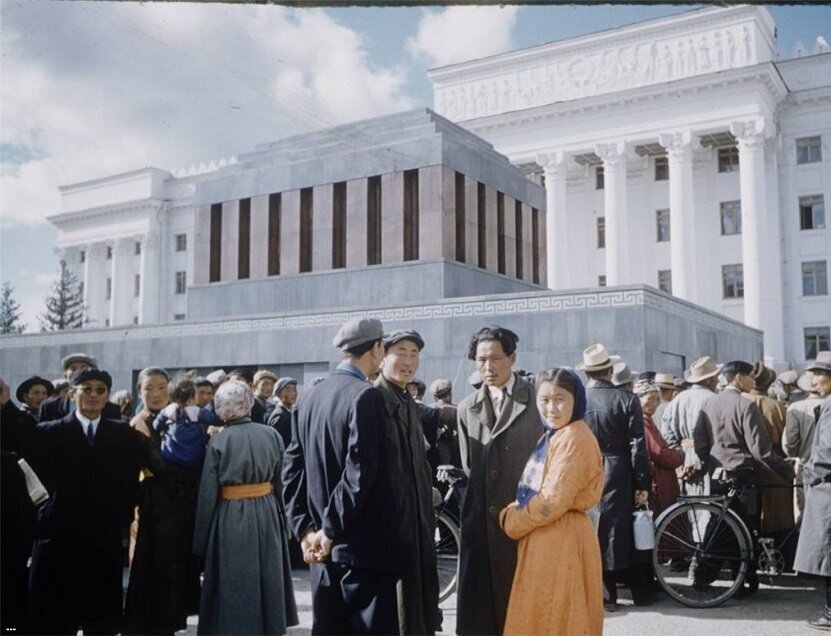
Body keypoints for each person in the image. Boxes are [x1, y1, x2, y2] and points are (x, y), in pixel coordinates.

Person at [282, 317, 402, 635]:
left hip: (320, 553)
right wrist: (330, 529)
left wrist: (306, 530)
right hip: (362, 550)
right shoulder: (366, 395)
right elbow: (359, 471)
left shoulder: (307, 397)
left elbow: (291, 470)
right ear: (377, 348)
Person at [28, 368, 161, 635]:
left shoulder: (123, 435)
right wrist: (45, 516)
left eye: (100, 390)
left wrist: (119, 517)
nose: (93, 395)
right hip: (58, 540)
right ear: (71, 393)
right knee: (54, 618)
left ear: (107, 396)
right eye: (86, 389)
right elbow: (31, 483)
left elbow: (131, 482)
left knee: (100, 621)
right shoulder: (47, 433)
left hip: (103, 541)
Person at [499, 367, 603, 635]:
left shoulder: (573, 437)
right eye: (544, 400)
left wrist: (512, 520)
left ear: (576, 400)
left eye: (560, 399)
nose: (551, 408)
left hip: (559, 539)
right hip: (551, 537)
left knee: (554, 617)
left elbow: (551, 500)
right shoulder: (556, 434)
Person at [193, 380, 297, 635]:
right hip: (267, 510)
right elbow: (281, 483)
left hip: (230, 513)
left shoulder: (218, 442)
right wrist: (285, 523)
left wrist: (201, 542)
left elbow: (208, 494)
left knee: (235, 580)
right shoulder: (271, 435)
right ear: (248, 403)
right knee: (267, 576)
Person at [456, 325, 542, 635]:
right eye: (481, 360)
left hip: (527, 520)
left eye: (496, 359)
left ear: (513, 357)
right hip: (481, 526)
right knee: (483, 614)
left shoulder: (538, 401)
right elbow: (469, 466)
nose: (488, 368)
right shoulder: (466, 408)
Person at [693, 360, 795, 597]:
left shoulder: (709, 403)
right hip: (743, 476)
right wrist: (786, 470)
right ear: (738, 378)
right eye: (749, 376)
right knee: (743, 530)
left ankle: (717, 577)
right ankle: (740, 581)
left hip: (717, 475)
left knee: (720, 523)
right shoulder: (745, 406)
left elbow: (700, 442)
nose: (752, 381)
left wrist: (712, 462)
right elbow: (761, 451)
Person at [125, 368, 202, 636]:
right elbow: (159, 464)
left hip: (180, 507)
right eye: (149, 388)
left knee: (175, 573)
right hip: (153, 508)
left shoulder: (178, 417)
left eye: (161, 387)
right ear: (139, 391)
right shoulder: (140, 423)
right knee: (152, 573)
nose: (156, 394)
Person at [375, 330, 441, 634]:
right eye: (400, 352)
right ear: (382, 356)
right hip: (392, 523)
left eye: (414, 354)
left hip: (418, 519)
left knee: (419, 604)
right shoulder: (374, 400)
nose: (408, 361)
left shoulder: (408, 401)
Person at [578, 343, 652, 610]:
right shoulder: (627, 400)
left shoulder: (578, 400)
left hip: (585, 467)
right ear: (610, 370)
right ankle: (623, 589)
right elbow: (637, 446)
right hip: (618, 468)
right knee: (616, 529)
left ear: (587, 373)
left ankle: (598, 591)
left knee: (589, 526)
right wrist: (642, 482)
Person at [793, 351, 831, 631]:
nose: (815, 379)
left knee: (827, 549)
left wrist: (811, 473)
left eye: (820, 374)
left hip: (827, 488)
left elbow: (827, 449)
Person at [0, 378, 37, 635]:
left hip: (8, 528)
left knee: (10, 608)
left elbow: (25, 438)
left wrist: (5, 404)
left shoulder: (18, 424)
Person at [744, 362, 794, 539]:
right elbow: (788, 441)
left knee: (749, 519)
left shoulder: (741, 402)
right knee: (777, 518)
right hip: (775, 467)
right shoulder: (777, 406)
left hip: (746, 466)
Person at [661, 356, 722, 497]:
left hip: (682, 459)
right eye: (715, 377)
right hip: (707, 459)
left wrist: (679, 457)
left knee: (685, 505)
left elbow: (666, 433)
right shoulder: (713, 399)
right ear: (708, 380)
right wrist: (697, 460)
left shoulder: (678, 399)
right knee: (707, 506)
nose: (718, 380)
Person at [636, 379, 684, 516]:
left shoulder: (646, 419)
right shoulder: (643, 421)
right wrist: (679, 456)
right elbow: (658, 452)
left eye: (657, 400)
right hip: (658, 480)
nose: (654, 404)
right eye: (650, 399)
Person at [785, 371, 824, 518]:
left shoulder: (796, 408)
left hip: (806, 465)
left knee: (806, 512)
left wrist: (795, 454)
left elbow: (791, 442)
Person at [37, 353, 121, 422]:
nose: (78, 371)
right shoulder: (49, 407)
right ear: (65, 375)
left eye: (84, 368)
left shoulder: (112, 409)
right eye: (73, 368)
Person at [266, 377, 298, 447]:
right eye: (288, 390)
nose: (293, 393)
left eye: (294, 390)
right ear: (278, 394)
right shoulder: (279, 415)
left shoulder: (289, 412)